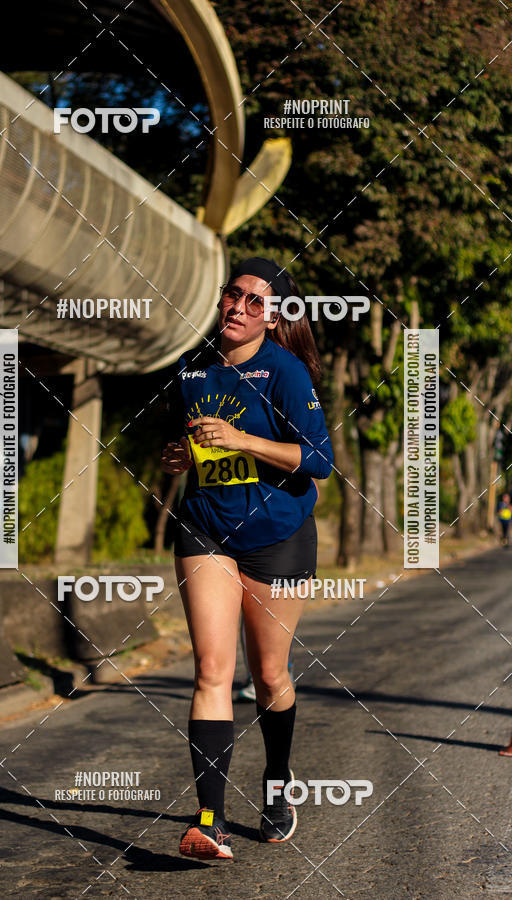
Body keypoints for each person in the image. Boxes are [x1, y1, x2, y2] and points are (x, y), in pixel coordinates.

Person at [161, 257, 333, 860]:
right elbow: (199, 445)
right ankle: (210, 821)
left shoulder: (283, 371)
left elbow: (319, 459)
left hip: (278, 537)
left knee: (269, 676)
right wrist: (183, 454)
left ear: (273, 317)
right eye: (233, 295)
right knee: (212, 670)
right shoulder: (192, 368)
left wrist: (243, 442)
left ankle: (278, 782)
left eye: (255, 303)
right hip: (205, 529)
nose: (238, 307)